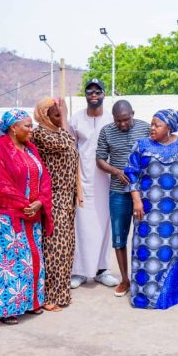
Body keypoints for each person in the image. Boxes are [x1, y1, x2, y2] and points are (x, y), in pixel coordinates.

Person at [0, 109, 54, 325]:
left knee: (30, 260)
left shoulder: (31, 149)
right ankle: (6, 309)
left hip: (31, 213)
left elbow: (45, 177)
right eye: (27, 126)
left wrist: (40, 201)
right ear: (14, 128)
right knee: (8, 264)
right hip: (4, 217)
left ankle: (30, 303)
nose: (31, 130)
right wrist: (25, 205)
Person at [124, 109, 178, 309]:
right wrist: (136, 200)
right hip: (147, 211)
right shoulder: (142, 145)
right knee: (147, 253)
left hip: (177, 213)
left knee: (173, 251)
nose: (152, 128)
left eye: (157, 125)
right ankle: (143, 297)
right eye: (151, 124)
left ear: (168, 128)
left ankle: (170, 294)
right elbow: (131, 173)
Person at [96, 100, 150, 296]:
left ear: (133, 113)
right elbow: (100, 159)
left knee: (146, 235)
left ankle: (143, 279)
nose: (122, 124)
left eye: (126, 119)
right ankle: (125, 280)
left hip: (144, 193)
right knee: (119, 237)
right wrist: (116, 171)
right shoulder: (107, 131)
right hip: (118, 192)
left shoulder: (145, 128)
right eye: (118, 120)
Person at [69, 79, 119, 289]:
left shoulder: (111, 118)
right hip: (83, 180)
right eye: (90, 91)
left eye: (97, 91)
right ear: (86, 94)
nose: (93, 94)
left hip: (107, 181)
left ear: (104, 94)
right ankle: (80, 271)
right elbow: (70, 151)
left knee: (104, 225)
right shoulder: (76, 120)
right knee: (82, 226)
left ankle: (101, 270)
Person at [33, 97, 80, 311]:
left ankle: (61, 293)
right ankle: (49, 297)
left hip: (66, 198)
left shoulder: (58, 130)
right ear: (45, 115)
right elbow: (64, 145)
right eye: (56, 115)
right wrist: (65, 119)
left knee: (67, 248)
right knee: (54, 248)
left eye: (61, 114)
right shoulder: (41, 134)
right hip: (53, 199)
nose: (60, 118)